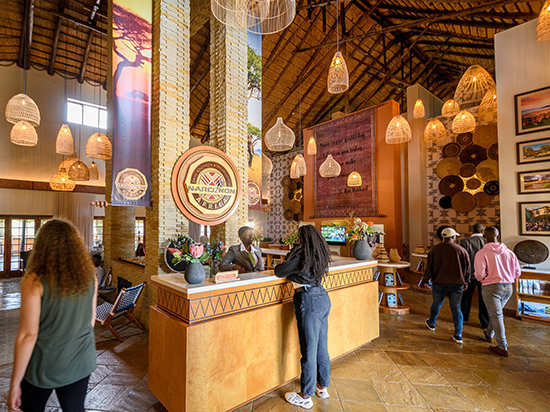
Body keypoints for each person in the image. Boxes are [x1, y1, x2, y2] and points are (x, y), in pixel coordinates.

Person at [8, 219, 97, 412]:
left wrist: (14, 384)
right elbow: (91, 320)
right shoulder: (89, 276)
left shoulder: (34, 281)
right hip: (81, 360)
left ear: (42, 246)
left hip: (45, 364)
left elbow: (28, 336)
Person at [274, 225, 332, 409]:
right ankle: (322, 386)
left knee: (308, 349)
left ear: (302, 237)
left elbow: (279, 271)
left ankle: (306, 395)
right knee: (321, 346)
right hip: (322, 296)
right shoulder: (318, 252)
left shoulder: (301, 253)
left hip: (308, 299)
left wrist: (294, 252)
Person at [474, 226, 521, 357]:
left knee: (497, 315)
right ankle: (489, 333)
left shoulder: (482, 253)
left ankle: (502, 346)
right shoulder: (509, 253)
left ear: (484, 237)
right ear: (498, 237)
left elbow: (479, 273)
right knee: (497, 314)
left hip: (491, 287)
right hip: (508, 287)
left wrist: (483, 279)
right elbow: (517, 272)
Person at [424, 227, 470, 344]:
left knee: (436, 303)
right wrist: (466, 281)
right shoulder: (461, 250)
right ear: (453, 237)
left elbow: (429, 267)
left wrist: (426, 280)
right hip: (457, 284)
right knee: (456, 308)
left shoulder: (435, 250)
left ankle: (432, 323)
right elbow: (467, 268)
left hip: (439, 282)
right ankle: (458, 334)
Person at [459, 223, 490, 331]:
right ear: (483, 231)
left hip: (469, 273)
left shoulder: (463, 241)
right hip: (485, 274)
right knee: (484, 299)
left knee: (465, 297)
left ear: (472, 231)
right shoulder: (487, 242)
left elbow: (461, 259)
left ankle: (463, 318)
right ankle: (484, 322)